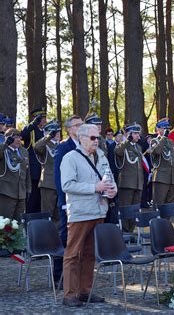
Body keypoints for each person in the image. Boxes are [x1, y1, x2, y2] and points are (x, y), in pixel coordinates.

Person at [60, 124, 117, 307]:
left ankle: (85, 291)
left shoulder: (101, 155)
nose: (96, 141)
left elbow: (109, 177)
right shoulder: (70, 158)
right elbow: (67, 185)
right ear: (81, 138)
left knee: (90, 255)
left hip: (99, 210)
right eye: (92, 138)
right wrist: (95, 188)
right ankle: (69, 294)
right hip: (80, 213)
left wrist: (112, 189)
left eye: (97, 137)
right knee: (73, 254)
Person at [53, 115, 84, 284]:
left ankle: (77, 276)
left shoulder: (85, 146)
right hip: (68, 201)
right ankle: (59, 276)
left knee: (81, 239)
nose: (81, 127)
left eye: (82, 124)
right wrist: (64, 201)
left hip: (84, 202)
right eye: (77, 125)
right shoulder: (64, 147)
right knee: (66, 238)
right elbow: (58, 177)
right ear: (69, 129)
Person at [114, 123, 144, 232]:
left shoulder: (138, 147)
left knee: (135, 210)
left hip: (137, 183)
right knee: (125, 208)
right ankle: (125, 231)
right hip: (126, 183)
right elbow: (118, 151)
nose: (137, 136)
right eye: (135, 133)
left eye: (138, 133)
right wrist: (127, 140)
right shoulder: (123, 145)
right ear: (129, 134)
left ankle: (131, 231)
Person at [0, 128, 31, 221]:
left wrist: (28, 188)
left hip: (21, 193)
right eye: (15, 137)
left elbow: (27, 172)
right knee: (5, 223)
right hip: (7, 192)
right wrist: (6, 144)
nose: (18, 140)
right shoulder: (3, 150)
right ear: (8, 138)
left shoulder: (24, 151)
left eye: (19, 137)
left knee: (19, 223)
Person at [33, 120, 61, 223]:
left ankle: (57, 237)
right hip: (48, 183)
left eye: (58, 131)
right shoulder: (45, 145)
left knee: (59, 213)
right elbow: (36, 147)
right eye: (55, 132)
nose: (57, 133)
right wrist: (48, 136)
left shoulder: (61, 145)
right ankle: (46, 236)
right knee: (47, 213)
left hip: (60, 183)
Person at [21, 107, 47, 213]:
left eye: (45, 117)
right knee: (33, 195)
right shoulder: (31, 130)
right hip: (34, 167)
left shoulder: (46, 131)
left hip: (45, 168)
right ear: (35, 118)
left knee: (43, 196)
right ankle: (31, 218)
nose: (44, 119)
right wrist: (33, 124)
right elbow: (22, 135)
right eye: (41, 117)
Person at [150, 119, 174, 205]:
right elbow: (157, 151)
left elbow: (173, 160)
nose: (168, 130)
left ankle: (167, 219)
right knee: (159, 204)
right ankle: (157, 219)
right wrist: (164, 137)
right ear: (159, 129)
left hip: (171, 178)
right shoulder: (154, 141)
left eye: (168, 128)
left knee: (169, 206)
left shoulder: (171, 142)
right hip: (160, 178)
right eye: (165, 128)